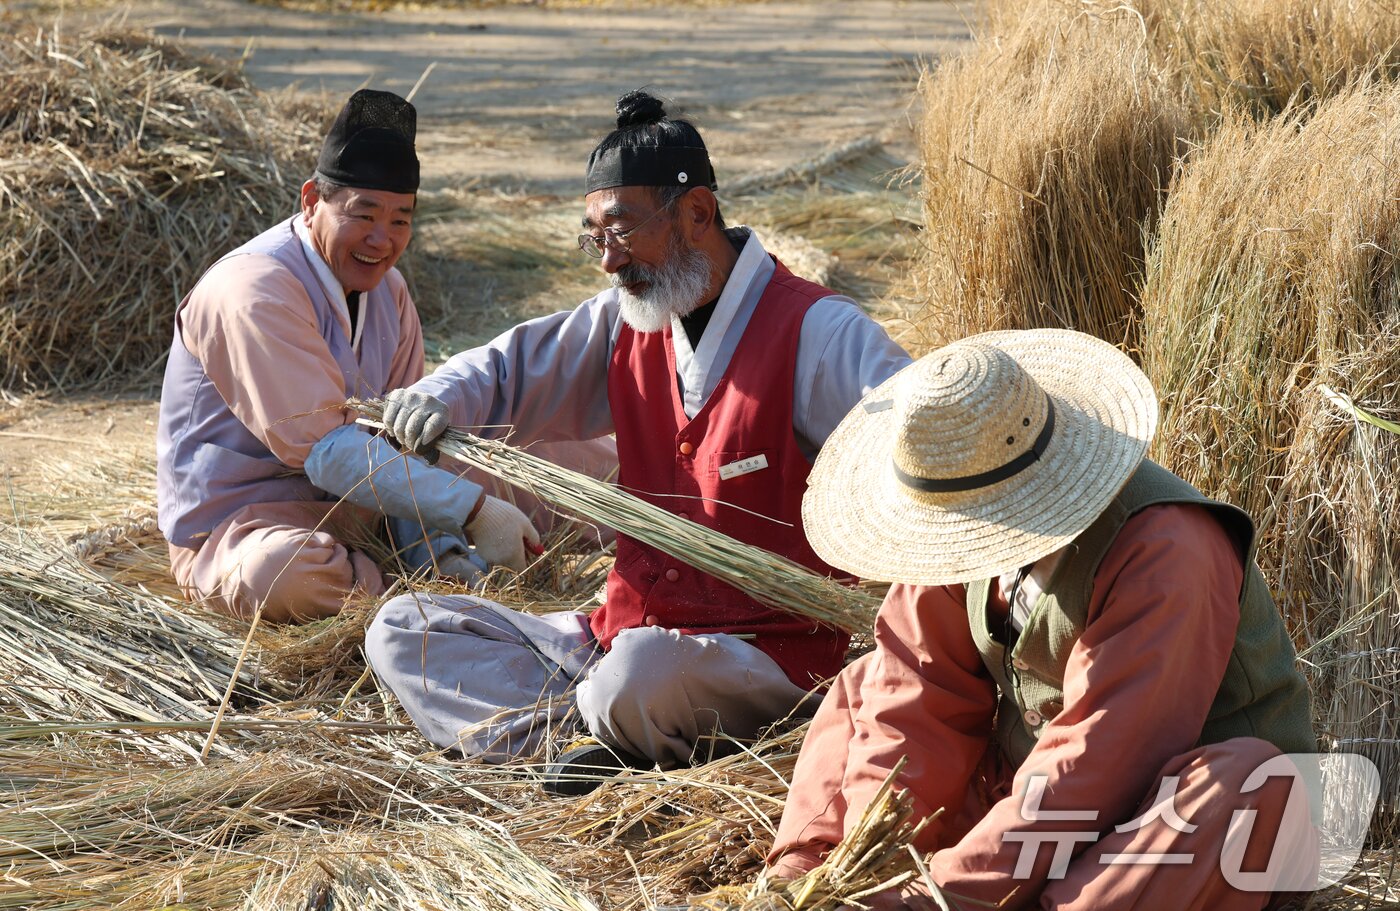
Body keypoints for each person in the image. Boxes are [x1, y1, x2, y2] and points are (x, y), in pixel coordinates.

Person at [365, 90, 911, 789]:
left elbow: (911, 436)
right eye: (594, 235)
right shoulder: (626, 321)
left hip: (762, 654)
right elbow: (506, 370)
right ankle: (586, 746)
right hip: (615, 634)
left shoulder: (818, 331)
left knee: (638, 676)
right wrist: (431, 400)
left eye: (620, 229)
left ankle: (589, 734)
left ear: (698, 213)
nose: (606, 261)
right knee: (403, 628)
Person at [763, 329, 1318, 910]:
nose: (956, 545)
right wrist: (868, 861)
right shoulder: (953, 516)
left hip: (1159, 825)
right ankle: (804, 882)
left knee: (1245, 785)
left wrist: (939, 897)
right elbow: (918, 690)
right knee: (867, 684)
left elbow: (1101, 760)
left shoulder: (1167, 548)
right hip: (1039, 799)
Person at [155, 89, 615, 623]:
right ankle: (410, 603)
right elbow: (329, 453)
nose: (381, 239)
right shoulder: (252, 289)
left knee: (573, 465)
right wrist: (472, 513)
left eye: (400, 220)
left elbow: (402, 447)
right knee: (283, 575)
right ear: (311, 200)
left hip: (363, 515)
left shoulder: (388, 293)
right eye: (363, 214)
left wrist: (440, 553)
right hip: (247, 528)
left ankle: (432, 579)